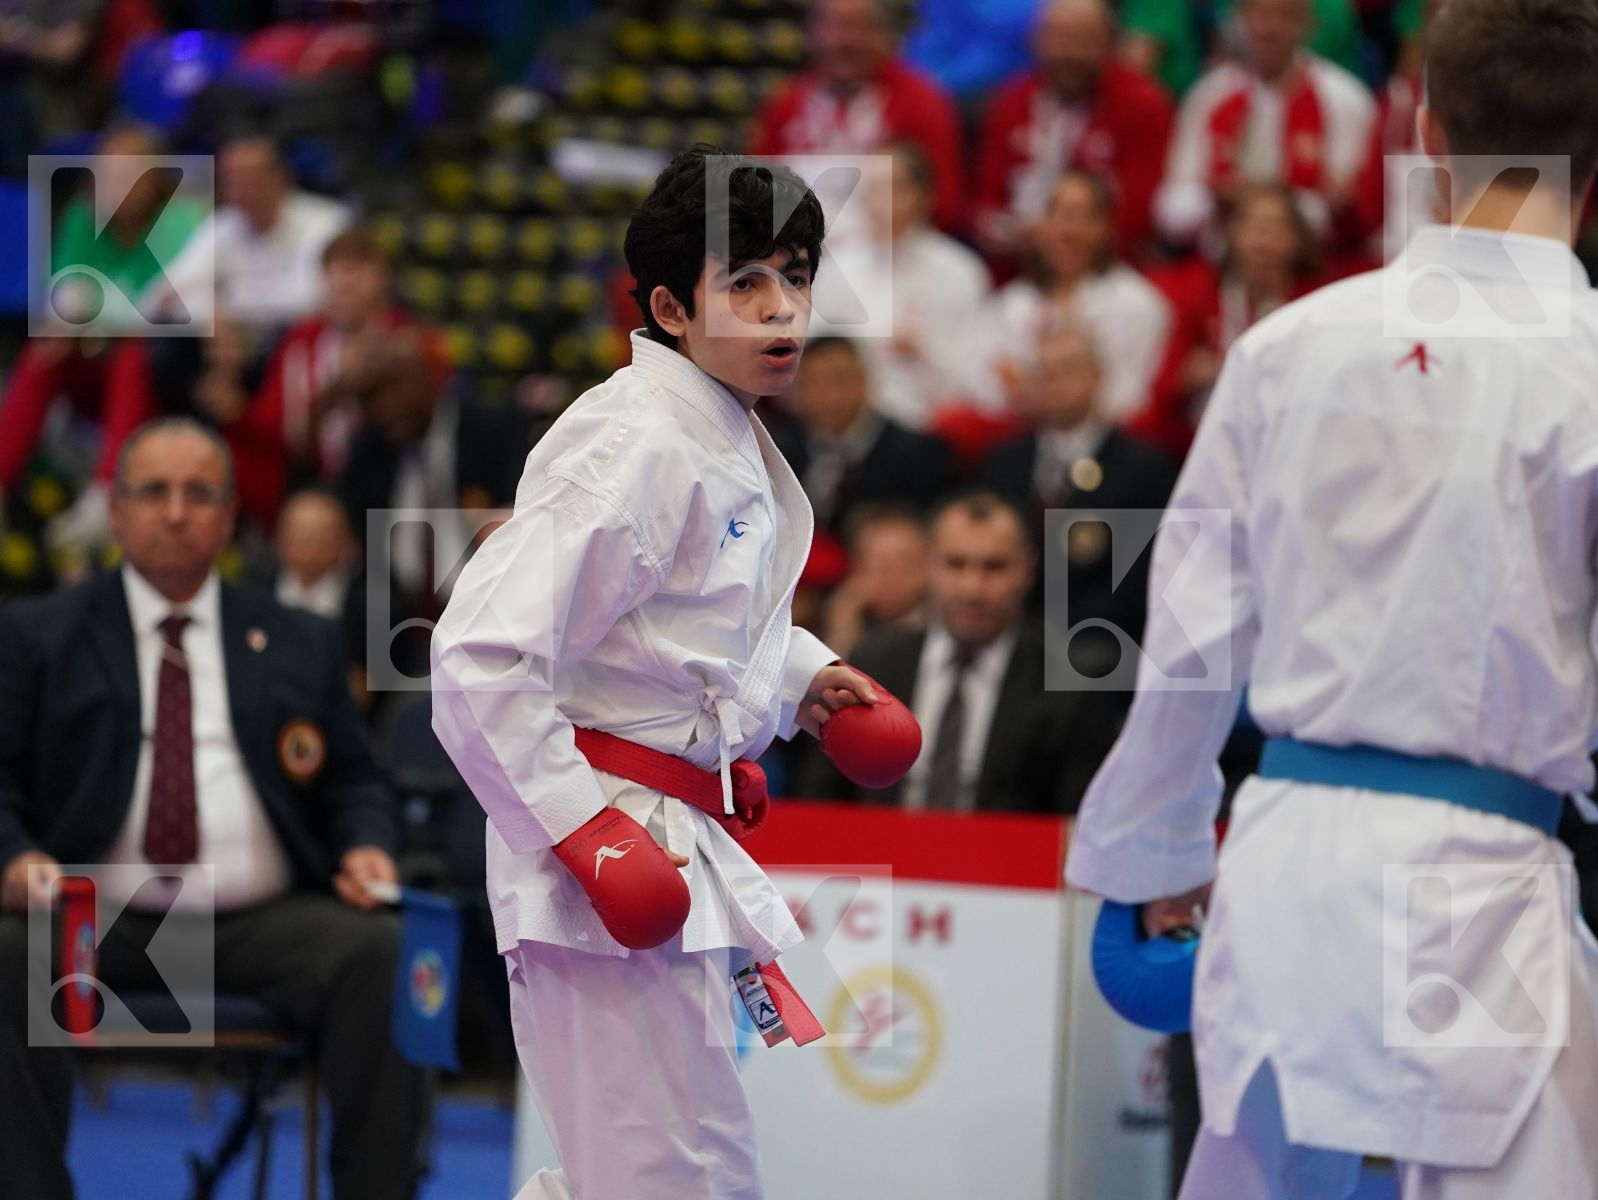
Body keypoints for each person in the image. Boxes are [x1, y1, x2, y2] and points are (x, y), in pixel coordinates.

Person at [1067, 1, 1598, 1196]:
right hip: (1479, 878)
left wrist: (1149, 851)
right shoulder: (1585, 368)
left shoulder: (1285, 347)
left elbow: (1188, 639)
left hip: (1279, 863)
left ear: (1423, 126)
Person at [429, 146, 884, 1199]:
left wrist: (796, 681)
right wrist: (580, 828)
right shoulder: (631, 445)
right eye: (747, 283)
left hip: (666, 838)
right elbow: (477, 654)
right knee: (661, 1181)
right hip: (605, 849)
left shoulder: (714, 432)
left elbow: (667, 631)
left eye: (798, 274)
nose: (783, 311)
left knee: (685, 1176)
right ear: (673, 308)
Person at [0, 417, 428, 1200]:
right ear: (118, 511)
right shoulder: (38, 635)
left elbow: (355, 784)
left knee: (385, 952)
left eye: (199, 494)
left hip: (261, 921)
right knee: (6, 951)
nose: (174, 512)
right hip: (95, 917)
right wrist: (15, 857)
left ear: (231, 517)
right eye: (152, 492)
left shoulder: (299, 639)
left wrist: (368, 846)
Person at [797, 490, 1120, 813]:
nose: (972, 588)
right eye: (956, 564)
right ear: (928, 564)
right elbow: (823, 800)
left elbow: (1077, 821)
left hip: (1007, 860)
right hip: (879, 855)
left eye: (994, 567)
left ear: (1027, 569)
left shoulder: (1070, 683)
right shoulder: (875, 661)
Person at [982, 323, 1181, 636]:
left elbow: (1140, 579)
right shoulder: (1004, 462)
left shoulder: (1141, 469)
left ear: (1098, 376)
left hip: (1100, 643)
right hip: (1007, 639)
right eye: (1043, 373)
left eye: (1068, 370)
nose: (1055, 383)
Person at [1153, 0, 1375, 249]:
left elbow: (1347, 209)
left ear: (1308, 24)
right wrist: (1218, 197)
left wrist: (1268, 204)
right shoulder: (1208, 96)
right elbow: (1172, 211)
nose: (1269, 28)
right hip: (1221, 256)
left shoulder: (1346, 99)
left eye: (1285, 15)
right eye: (1258, 14)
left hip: (1313, 261)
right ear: (1238, 20)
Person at [974, 0, 1175, 271]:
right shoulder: (1011, 101)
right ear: (1036, 41)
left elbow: (1140, 212)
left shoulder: (1143, 105)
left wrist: (1059, 236)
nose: (1069, 52)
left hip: (1109, 271)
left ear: (1110, 44)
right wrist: (998, 229)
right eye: (1058, 37)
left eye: (1084, 39)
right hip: (1017, 270)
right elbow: (985, 199)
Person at [813, 141, 993, 429]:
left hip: (925, 424)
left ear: (925, 196)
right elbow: (813, 356)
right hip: (843, 421)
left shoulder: (960, 272)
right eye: (871, 189)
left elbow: (978, 377)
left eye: (892, 189)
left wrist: (922, 353)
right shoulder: (837, 268)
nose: (878, 202)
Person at [747, 0, 966, 233]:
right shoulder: (785, 102)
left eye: (858, 26)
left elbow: (944, 205)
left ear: (884, 32)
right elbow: (753, 192)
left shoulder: (922, 103)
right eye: (831, 25)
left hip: (892, 258)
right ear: (810, 32)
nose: (842, 41)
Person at [1140, 183, 1325, 456]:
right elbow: (1162, 391)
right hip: (1204, 442)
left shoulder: (1314, 304)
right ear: (1232, 235)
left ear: (1298, 240)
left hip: (1289, 441)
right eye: (1255, 229)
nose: (1263, 244)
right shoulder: (1201, 297)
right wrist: (1187, 380)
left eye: (1275, 229)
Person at [984, 169, 1173, 426]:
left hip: (1105, 446)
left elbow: (1132, 400)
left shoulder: (1136, 305)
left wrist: (1067, 402)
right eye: (1057, 215)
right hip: (1024, 438)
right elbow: (990, 387)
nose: (1068, 232)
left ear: (1106, 227)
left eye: (1083, 217)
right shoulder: (1014, 303)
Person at [768, 336, 960, 532]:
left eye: (839, 379)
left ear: (865, 380)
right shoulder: (778, 449)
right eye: (814, 383)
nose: (828, 395)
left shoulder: (919, 454)